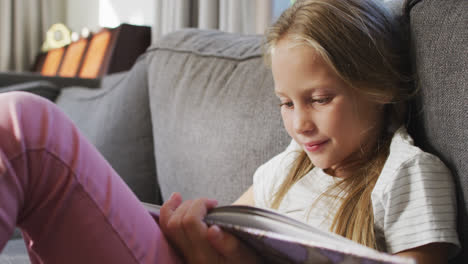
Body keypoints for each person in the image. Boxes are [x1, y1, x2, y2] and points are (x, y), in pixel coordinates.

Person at [0, 1, 459, 264]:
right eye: (286, 103)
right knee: (20, 126)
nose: (299, 124)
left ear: (377, 88)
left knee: (27, 129)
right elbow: (232, 230)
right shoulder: (289, 166)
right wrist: (196, 231)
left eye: (319, 99)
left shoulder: (407, 174)